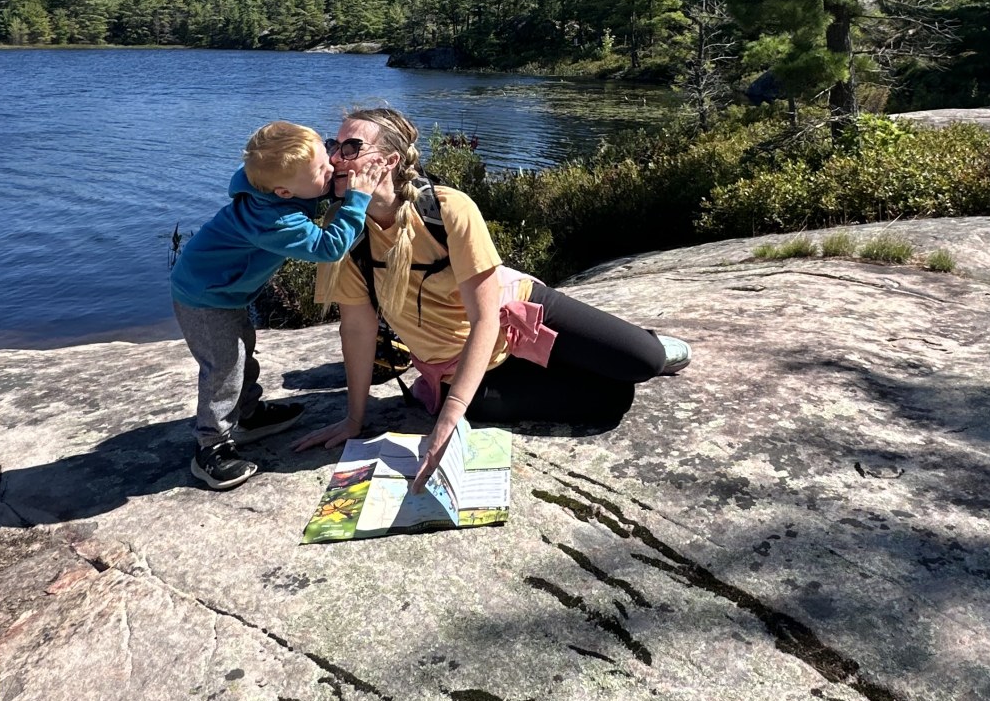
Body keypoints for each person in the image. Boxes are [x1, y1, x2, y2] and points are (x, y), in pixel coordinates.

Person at [293, 106, 691, 491]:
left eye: (351, 148)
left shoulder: (446, 208)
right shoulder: (341, 232)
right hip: (463, 367)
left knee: (643, 360)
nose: (335, 158)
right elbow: (357, 329)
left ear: (389, 161)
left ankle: (644, 345)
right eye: (333, 145)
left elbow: (485, 318)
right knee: (611, 397)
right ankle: (569, 360)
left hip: (516, 312)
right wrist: (354, 420)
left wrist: (451, 414)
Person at [172, 120, 385, 490]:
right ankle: (210, 447)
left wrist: (326, 178)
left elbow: (307, 186)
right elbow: (328, 247)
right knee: (225, 366)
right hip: (204, 298)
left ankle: (249, 414)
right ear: (284, 192)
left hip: (222, 293)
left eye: (327, 153)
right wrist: (357, 199)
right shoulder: (273, 218)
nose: (332, 165)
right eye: (322, 168)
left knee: (241, 353)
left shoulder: (273, 186)